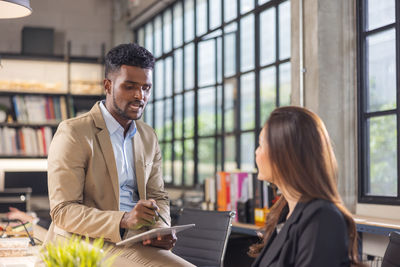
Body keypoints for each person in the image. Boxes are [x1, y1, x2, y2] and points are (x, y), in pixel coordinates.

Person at [45, 43, 194, 267]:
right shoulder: (74, 132)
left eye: (146, 87)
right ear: (108, 85)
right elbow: (63, 211)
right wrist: (124, 220)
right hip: (84, 242)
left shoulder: (147, 136)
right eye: (129, 86)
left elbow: (158, 196)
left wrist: (160, 230)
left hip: (136, 241)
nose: (139, 96)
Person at [250, 106, 362, 267]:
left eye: (261, 145)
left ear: (283, 154)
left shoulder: (322, 220)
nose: (256, 152)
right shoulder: (285, 212)